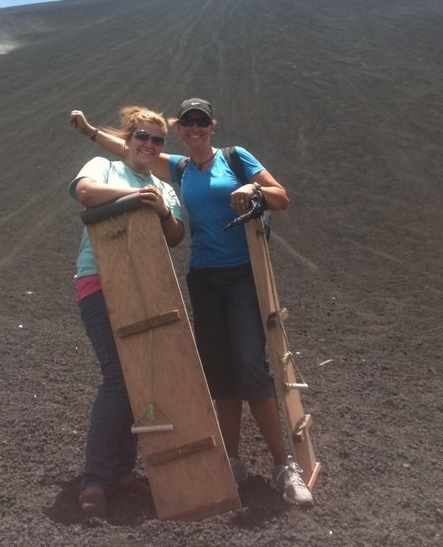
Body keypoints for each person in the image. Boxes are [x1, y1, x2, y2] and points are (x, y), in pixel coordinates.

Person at [70, 99, 313, 506]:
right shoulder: (177, 169)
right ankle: (230, 461)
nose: (195, 127)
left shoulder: (232, 158)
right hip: (201, 280)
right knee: (214, 373)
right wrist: (93, 133)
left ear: (211, 125)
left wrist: (253, 188)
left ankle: (282, 465)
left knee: (251, 367)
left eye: (202, 121)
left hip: (240, 277)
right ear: (180, 130)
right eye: (188, 122)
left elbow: (279, 197)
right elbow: (127, 156)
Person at [69, 105, 184, 519]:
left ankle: (120, 470)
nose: (150, 145)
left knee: (137, 377)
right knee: (119, 376)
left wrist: (163, 209)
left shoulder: (164, 188)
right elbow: (85, 193)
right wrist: (134, 197)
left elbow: (175, 236)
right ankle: (94, 480)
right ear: (128, 139)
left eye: (157, 140)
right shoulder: (103, 167)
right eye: (143, 137)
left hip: (146, 285)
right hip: (99, 280)